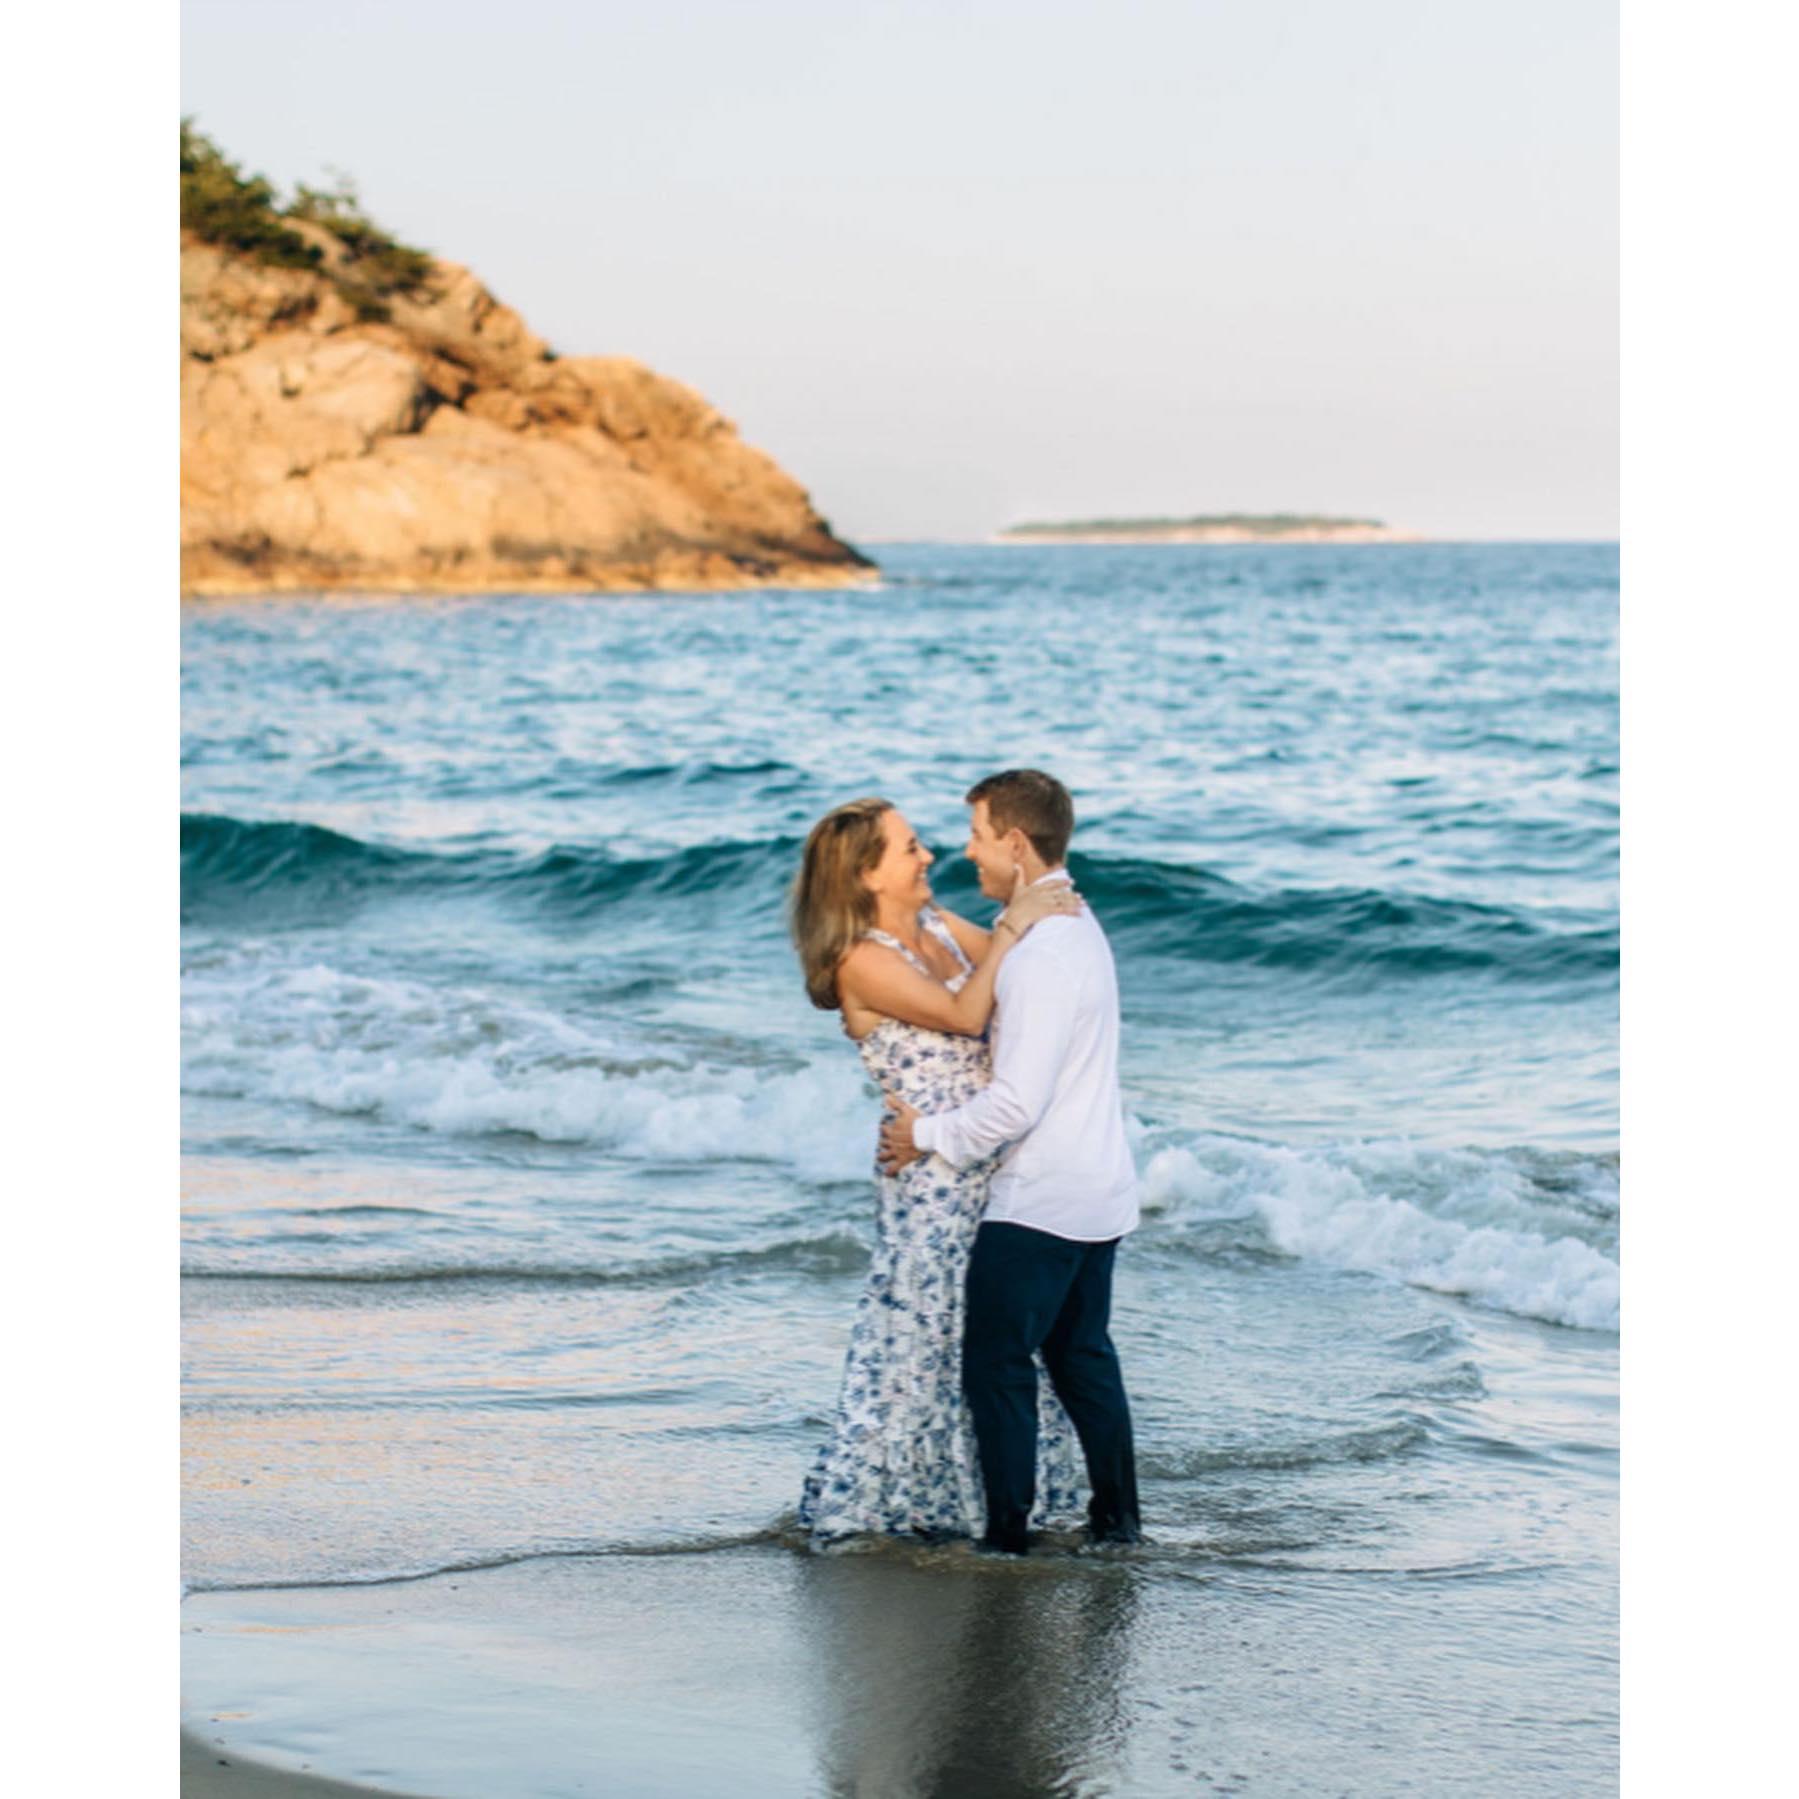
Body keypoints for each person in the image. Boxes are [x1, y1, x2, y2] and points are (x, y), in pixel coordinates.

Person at [791, 795, 1085, 1546]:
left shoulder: (930, 926)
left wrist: (1026, 922)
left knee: (989, 1340)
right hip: (929, 1176)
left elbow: (1010, 974)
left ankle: (984, 1500)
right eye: (911, 847)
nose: (929, 857)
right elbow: (964, 1014)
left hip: (980, 1159)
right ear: (865, 873)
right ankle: (891, 1504)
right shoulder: (859, 958)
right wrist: (1016, 921)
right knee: (924, 1337)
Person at [879, 769, 1142, 1555]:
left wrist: (922, 1134)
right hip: (1099, 1189)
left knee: (994, 1366)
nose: (968, 852)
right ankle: (1118, 1523)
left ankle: (1004, 1539)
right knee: (1081, 1358)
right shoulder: (1073, 923)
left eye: (978, 836)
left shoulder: (1037, 956)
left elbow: (1014, 1104)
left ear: (1016, 843)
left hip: (1041, 1198)